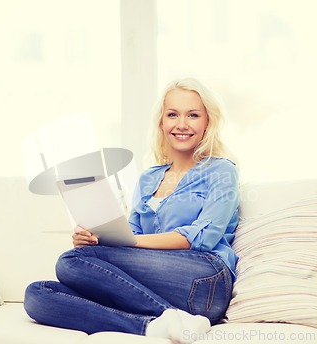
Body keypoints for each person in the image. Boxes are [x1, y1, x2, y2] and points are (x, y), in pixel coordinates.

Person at [24, 78, 239, 344]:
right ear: (161, 122)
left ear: (208, 122)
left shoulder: (221, 171)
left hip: (205, 278)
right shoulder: (149, 178)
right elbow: (131, 235)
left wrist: (130, 243)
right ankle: (155, 325)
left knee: (70, 262)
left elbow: (202, 237)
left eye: (193, 115)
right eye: (172, 114)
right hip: (149, 283)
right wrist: (96, 237)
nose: (181, 124)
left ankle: (167, 315)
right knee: (38, 294)